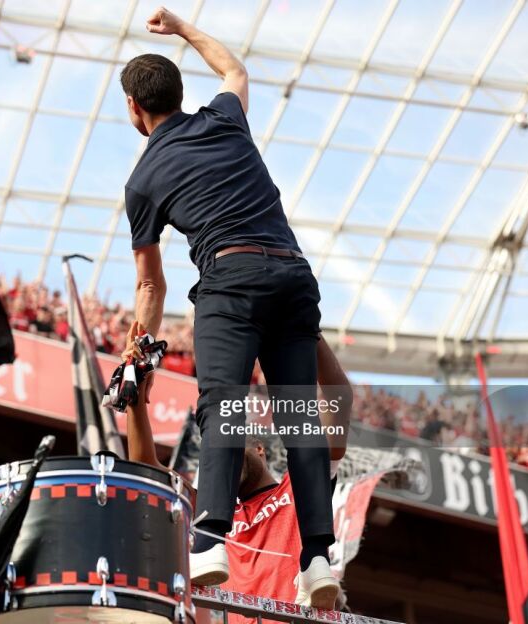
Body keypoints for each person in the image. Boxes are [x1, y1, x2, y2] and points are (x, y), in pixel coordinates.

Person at [120, 6, 338, 607]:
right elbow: (234, 68)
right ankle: (318, 558)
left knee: (223, 405)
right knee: (299, 413)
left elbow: (150, 286)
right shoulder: (223, 117)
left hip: (231, 278)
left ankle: (210, 539)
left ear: (135, 109)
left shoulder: (142, 181)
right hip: (294, 276)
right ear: (179, 93)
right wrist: (182, 28)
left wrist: (138, 350)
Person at [126, 324, 352, 618]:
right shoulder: (212, 515)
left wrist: (303, 323)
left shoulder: (299, 487)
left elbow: (339, 396)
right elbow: (145, 465)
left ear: (259, 448)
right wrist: (134, 388)